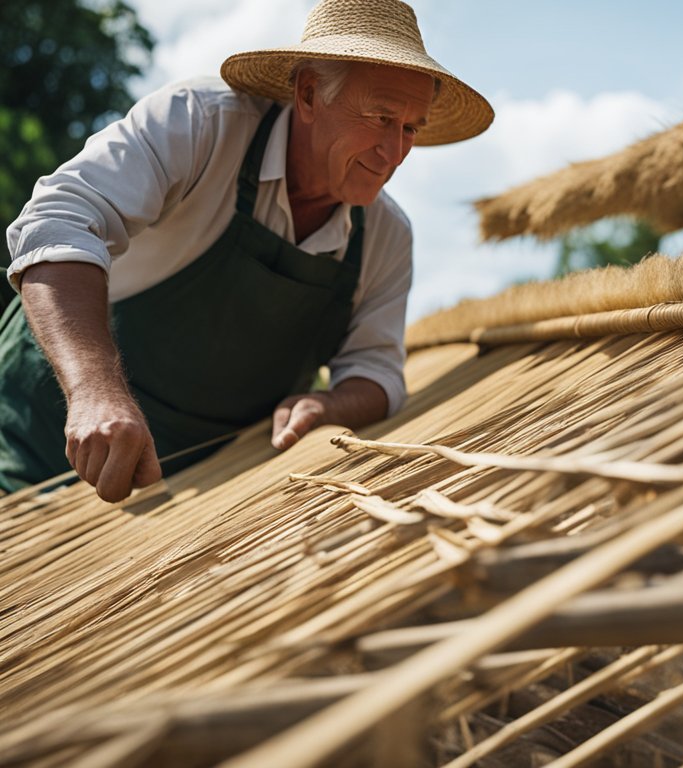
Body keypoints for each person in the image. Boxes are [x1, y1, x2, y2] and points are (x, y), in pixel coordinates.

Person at [0, 0, 492, 501]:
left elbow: (377, 370)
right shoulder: (199, 123)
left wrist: (332, 406)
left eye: (411, 128)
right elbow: (55, 221)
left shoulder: (386, 237)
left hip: (185, 492)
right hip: (25, 436)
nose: (394, 154)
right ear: (308, 94)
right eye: (380, 116)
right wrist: (92, 391)